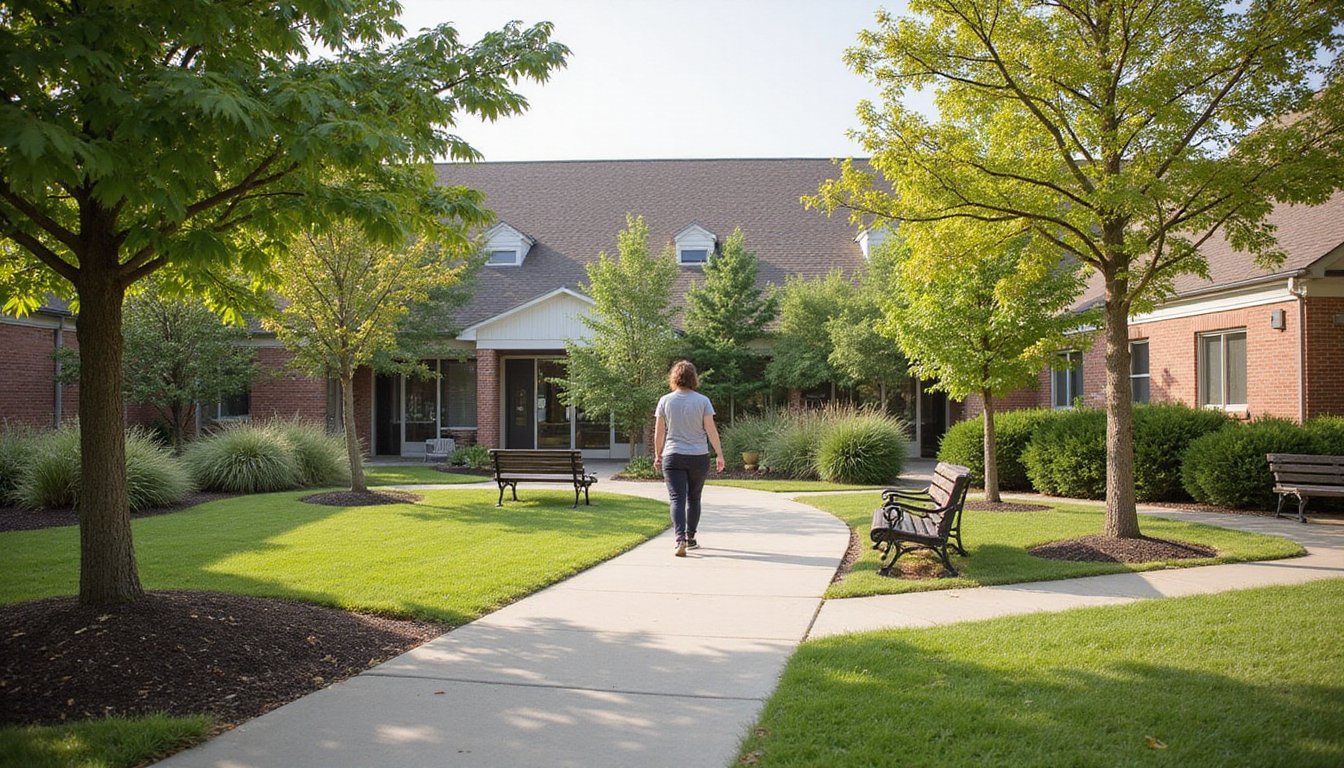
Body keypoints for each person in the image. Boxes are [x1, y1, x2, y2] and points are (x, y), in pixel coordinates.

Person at [652, 360, 725, 557]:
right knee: (694, 498)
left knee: (676, 498)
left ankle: (679, 540)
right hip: (698, 456)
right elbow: (711, 430)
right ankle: (691, 537)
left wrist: (658, 455)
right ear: (693, 378)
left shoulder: (665, 401)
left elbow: (659, 432)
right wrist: (719, 454)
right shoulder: (703, 401)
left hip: (673, 455)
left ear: (674, 377)